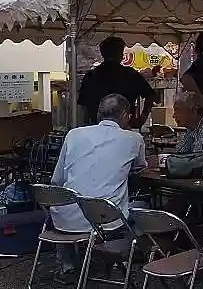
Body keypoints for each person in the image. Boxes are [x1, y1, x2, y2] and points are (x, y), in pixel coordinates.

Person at [48, 94, 148, 274]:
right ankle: (121, 258)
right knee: (142, 206)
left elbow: (56, 181)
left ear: (98, 114)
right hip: (106, 221)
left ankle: (67, 266)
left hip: (64, 220)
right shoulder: (134, 139)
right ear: (125, 116)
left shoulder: (74, 134)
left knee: (69, 204)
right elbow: (139, 168)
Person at [77, 36, 156, 128]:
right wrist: (141, 119)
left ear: (102, 54)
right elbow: (150, 96)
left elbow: (83, 105)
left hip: (97, 126)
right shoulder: (130, 74)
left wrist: (86, 125)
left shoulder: (91, 75)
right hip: (124, 127)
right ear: (120, 54)